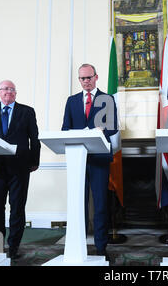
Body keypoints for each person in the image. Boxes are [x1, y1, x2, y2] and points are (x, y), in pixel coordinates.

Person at [61, 63, 118, 256]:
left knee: (100, 203)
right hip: (78, 159)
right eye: (82, 78)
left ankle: (101, 247)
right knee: (79, 202)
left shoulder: (106, 99)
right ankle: (79, 244)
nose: (85, 81)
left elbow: (112, 127)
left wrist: (99, 131)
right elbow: (65, 129)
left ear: (96, 77)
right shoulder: (72, 101)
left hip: (99, 158)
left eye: (88, 77)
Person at [0, 80, 41, 260]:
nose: (9, 92)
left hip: (20, 168)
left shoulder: (27, 111)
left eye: (13, 89)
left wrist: (34, 161)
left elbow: (34, 139)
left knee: (17, 209)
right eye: (5, 89)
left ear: (16, 93)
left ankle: (14, 247)